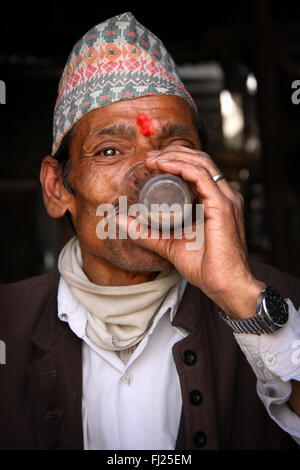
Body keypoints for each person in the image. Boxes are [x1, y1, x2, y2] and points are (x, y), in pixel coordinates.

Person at [0, 12, 299, 450]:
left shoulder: (281, 303)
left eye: (177, 148)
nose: (151, 174)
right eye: (109, 150)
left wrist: (239, 295)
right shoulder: (8, 324)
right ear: (57, 187)